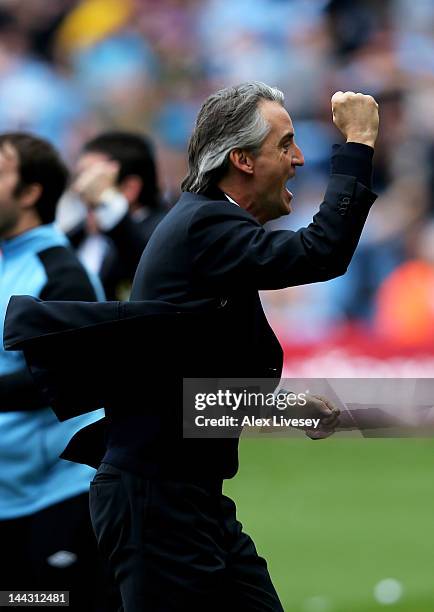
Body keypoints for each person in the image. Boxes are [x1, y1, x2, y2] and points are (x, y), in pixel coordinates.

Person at [3, 83, 379, 611]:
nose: (298, 159)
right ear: (242, 160)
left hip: (187, 501)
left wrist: (282, 407)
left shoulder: (209, 229)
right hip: (156, 502)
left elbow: (185, 391)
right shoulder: (205, 224)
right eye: (285, 144)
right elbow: (320, 252)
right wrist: (359, 142)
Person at [0, 133, 114, 610]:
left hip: (55, 495)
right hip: (8, 491)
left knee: (44, 603)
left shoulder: (59, 270)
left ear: (29, 194)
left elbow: (72, 378)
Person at [57, 131, 168, 299]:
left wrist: (106, 200)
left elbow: (144, 265)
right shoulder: (79, 233)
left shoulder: (163, 233)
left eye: (93, 179)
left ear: (130, 188)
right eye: (79, 176)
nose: (80, 188)